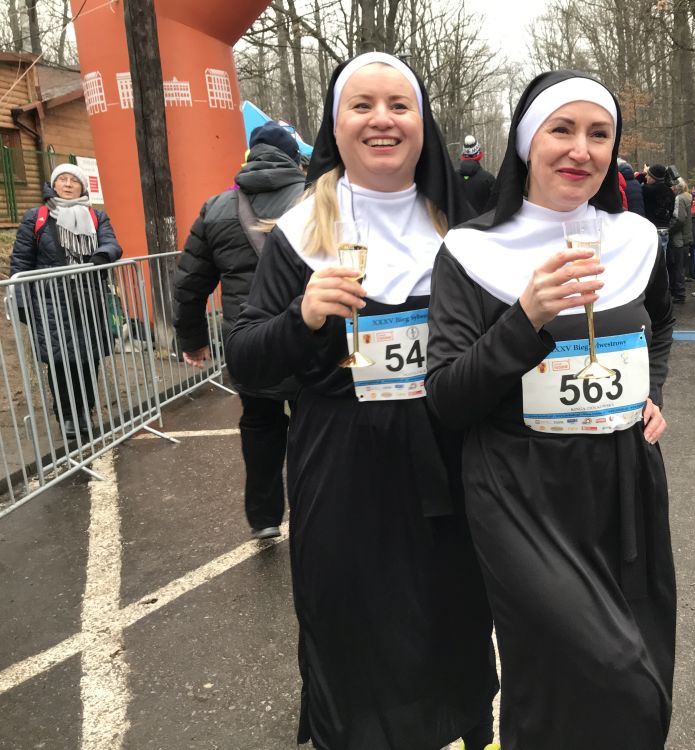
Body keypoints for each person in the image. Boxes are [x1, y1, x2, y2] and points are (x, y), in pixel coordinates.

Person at [225, 52, 498, 750]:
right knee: (350, 625)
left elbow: (512, 347)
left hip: (449, 460)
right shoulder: (299, 233)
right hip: (341, 469)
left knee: (455, 616)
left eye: (399, 105)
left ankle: (464, 730)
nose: (382, 120)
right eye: (362, 105)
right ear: (335, 124)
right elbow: (246, 360)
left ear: (423, 124)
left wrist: (635, 404)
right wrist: (301, 317)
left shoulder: (467, 229)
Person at [426, 70, 677, 749]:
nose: (581, 150)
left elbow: (660, 323)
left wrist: (651, 392)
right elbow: (447, 397)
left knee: (644, 665)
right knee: (604, 670)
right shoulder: (471, 251)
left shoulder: (636, 238)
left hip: (624, 482)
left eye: (599, 134)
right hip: (520, 489)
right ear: (526, 142)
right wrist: (527, 316)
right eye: (561, 130)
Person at [173, 121, 305, 540]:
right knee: (313, 428)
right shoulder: (316, 200)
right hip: (308, 335)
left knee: (260, 424)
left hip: (250, 342)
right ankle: (312, 514)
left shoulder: (216, 208)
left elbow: (190, 284)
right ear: (293, 157)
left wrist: (193, 340)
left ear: (250, 155)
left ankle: (264, 518)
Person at [11, 163, 122, 440]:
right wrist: (21, 302)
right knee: (60, 361)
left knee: (90, 358)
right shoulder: (36, 217)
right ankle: (67, 415)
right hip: (50, 301)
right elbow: (21, 262)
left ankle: (85, 410)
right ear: (54, 185)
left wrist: (101, 256)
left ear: (82, 187)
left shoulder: (96, 216)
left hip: (89, 296)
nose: (68, 184)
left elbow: (111, 243)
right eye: (62, 179)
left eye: (74, 180)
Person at [643, 163, 681, 299]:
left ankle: (656, 293)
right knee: (662, 263)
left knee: (651, 263)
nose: (646, 177)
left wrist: (642, 173)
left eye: (648, 175)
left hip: (653, 229)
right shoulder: (669, 191)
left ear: (653, 177)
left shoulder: (647, 190)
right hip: (664, 229)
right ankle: (665, 292)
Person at [456, 134, 496, 215]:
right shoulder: (488, 180)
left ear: (463, 154)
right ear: (479, 154)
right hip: (482, 222)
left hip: (456, 223)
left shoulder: (452, 177)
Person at [669, 177, 693, 303]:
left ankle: (679, 294)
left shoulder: (680, 198)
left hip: (679, 238)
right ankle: (679, 292)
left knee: (678, 267)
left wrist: (669, 230)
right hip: (686, 237)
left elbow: (679, 218)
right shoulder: (688, 196)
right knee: (681, 267)